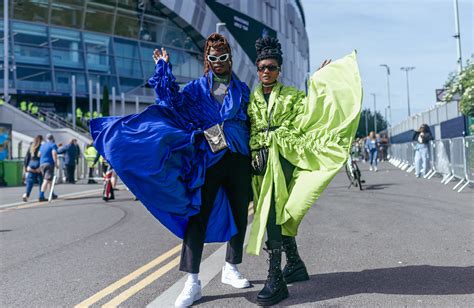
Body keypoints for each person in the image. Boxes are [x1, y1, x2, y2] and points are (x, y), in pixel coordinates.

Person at [90, 33, 252, 307]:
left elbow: (253, 120)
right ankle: (192, 281)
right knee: (198, 216)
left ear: (230, 58)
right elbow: (170, 99)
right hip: (209, 156)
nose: (219, 62)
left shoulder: (243, 90)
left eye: (223, 57)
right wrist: (163, 68)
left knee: (238, 213)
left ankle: (231, 267)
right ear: (207, 60)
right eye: (213, 58)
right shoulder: (198, 89)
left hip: (239, 156)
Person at [246, 36, 362, 306]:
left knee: (274, 214)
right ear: (257, 68)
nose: (266, 72)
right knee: (277, 212)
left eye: (272, 67)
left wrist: (320, 82)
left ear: (279, 70)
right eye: (262, 67)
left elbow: (313, 112)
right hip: (259, 164)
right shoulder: (249, 99)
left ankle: (275, 279)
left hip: (285, 160)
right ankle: (295, 264)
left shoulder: (292, 96)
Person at [22, 135, 44, 202]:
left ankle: (26, 194)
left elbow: (27, 157)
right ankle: (41, 196)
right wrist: (40, 167)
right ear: (40, 140)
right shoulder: (41, 146)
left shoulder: (31, 146)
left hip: (31, 165)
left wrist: (26, 166)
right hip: (38, 164)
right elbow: (42, 157)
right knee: (41, 181)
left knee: (30, 181)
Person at [39, 133, 58, 201]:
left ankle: (52, 193)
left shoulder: (42, 145)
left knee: (50, 179)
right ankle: (41, 195)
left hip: (42, 164)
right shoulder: (53, 145)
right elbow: (54, 153)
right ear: (52, 138)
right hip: (49, 163)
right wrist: (56, 163)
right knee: (46, 180)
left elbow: (39, 154)